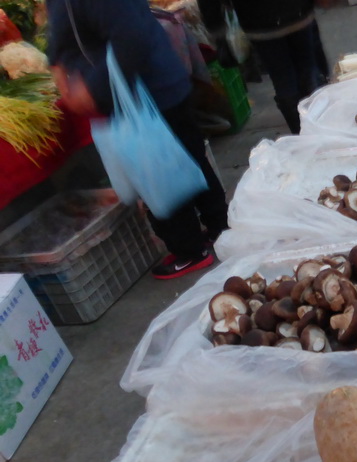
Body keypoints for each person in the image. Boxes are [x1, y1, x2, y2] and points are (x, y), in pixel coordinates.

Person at [46, 0, 230, 279]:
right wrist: (56, 63)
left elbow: (131, 37)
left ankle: (191, 250)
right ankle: (221, 229)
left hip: (149, 93)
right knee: (186, 160)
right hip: (144, 90)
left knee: (159, 172)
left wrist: (94, 90)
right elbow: (61, 25)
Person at [197, 0, 328, 134]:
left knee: (283, 79)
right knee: (307, 71)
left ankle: (302, 133)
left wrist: (216, 26)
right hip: (297, 13)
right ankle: (320, 124)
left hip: (260, 23)